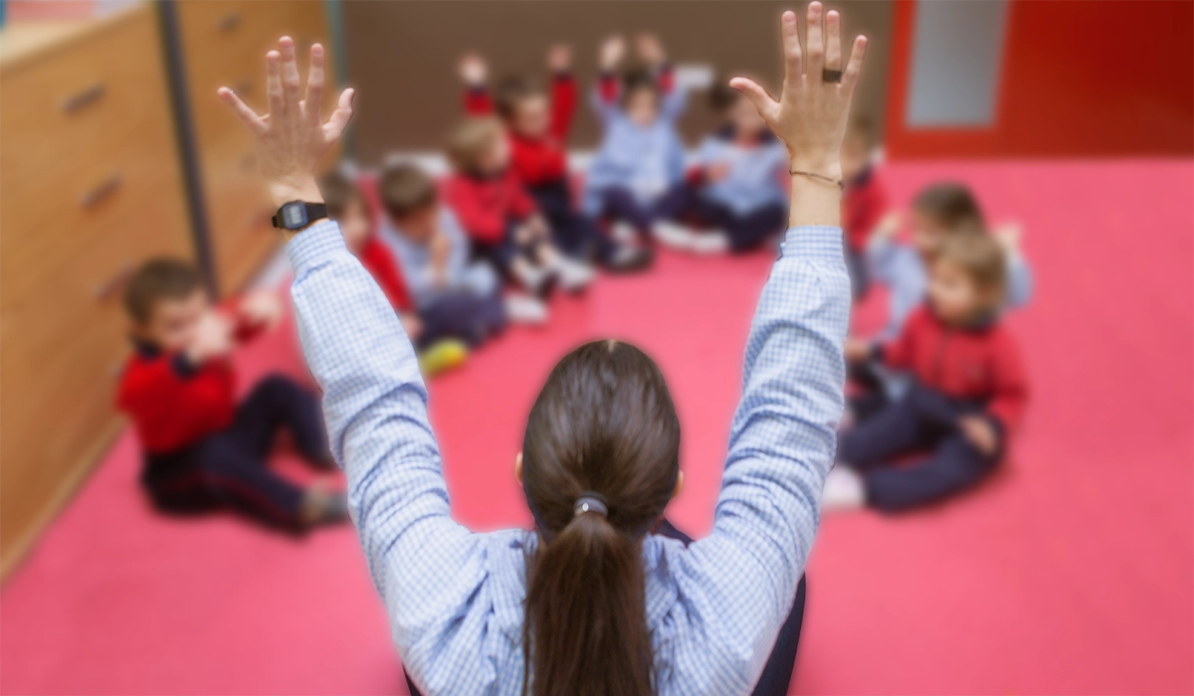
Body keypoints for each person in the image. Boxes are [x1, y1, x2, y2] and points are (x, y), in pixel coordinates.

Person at [217, 5, 863, 693]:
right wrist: (817, 167)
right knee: (784, 578)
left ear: (523, 471)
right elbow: (789, 420)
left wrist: (295, 191)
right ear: (672, 489)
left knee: (417, 629)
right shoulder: (725, 622)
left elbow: (372, 401)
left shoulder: (441, 611)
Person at [116, 259, 346, 530]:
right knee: (212, 453)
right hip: (179, 473)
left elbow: (232, 319)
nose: (193, 331)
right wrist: (192, 357)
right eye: (176, 326)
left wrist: (261, 307)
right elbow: (143, 390)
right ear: (142, 332)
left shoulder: (202, 329)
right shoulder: (141, 373)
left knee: (275, 387)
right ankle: (301, 506)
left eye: (199, 317)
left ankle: (324, 446)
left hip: (229, 433)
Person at [826, 231, 1029, 512]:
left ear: (984, 295)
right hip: (925, 401)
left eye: (949, 284)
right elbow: (904, 352)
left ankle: (864, 489)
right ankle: (819, 457)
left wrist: (993, 425)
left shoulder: (997, 344)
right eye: (934, 278)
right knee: (876, 434)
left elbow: (1013, 394)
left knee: (953, 469)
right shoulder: (923, 318)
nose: (935, 289)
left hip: (970, 420)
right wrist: (871, 351)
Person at [458, 47, 652, 271]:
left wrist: (562, 74)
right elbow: (482, 118)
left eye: (545, 113)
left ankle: (614, 252)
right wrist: (476, 86)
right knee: (544, 234)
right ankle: (571, 256)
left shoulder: (553, 132)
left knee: (582, 222)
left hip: (559, 197)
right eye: (532, 118)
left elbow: (566, 104)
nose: (542, 121)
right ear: (509, 123)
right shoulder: (506, 140)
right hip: (528, 201)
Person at [319, 170, 470, 375]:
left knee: (459, 305)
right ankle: (411, 364)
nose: (358, 228)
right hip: (361, 339)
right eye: (344, 222)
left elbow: (397, 289)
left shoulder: (377, 251)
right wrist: (436, 268)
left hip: (402, 320)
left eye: (360, 217)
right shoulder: (324, 271)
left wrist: (405, 315)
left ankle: (417, 359)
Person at [378, 160, 548, 328]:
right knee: (442, 312)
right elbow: (406, 286)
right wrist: (436, 267)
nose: (428, 224)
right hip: (425, 299)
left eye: (431, 215)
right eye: (418, 222)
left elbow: (461, 249)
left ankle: (481, 319)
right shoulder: (387, 241)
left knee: (487, 276)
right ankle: (498, 312)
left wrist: (448, 274)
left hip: (456, 281)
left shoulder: (444, 216)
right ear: (395, 222)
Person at [443, 117, 595, 298]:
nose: (508, 146)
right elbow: (474, 223)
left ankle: (558, 265)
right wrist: (510, 231)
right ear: (485, 158)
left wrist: (531, 214)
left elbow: (517, 197)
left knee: (532, 232)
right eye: (502, 144)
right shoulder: (462, 186)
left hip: (506, 226)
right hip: (479, 242)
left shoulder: (503, 172)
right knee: (501, 245)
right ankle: (529, 276)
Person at [867, 181, 1034, 341]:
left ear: (960, 231)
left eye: (930, 232)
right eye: (915, 228)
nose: (919, 240)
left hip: (955, 349)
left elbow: (1018, 296)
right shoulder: (907, 259)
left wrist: (1008, 255)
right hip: (899, 341)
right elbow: (877, 266)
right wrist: (881, 235)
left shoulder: (973, 266)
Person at [582, 34, 697, 251]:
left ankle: (641, 224)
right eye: (637, 106)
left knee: (687, 190)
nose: (645, 112)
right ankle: (654, 227)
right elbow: (604, 99)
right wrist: (607, 64)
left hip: (660, 195)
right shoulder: (615, 122)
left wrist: (660, 61)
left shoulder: (664, 122)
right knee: (612, 193)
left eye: (650, 106)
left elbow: (675, 96)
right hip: (629, 194)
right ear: (625, 106)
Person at [654, 81, 791, 254]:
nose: (749, 119)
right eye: (743, 113)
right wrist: (706, 175)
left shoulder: (773, 149)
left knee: (775, 213)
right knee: (683, 190)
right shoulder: (715, 143)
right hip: (721, 206)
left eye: (755, 113)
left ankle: (728, 240)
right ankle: (660, 223)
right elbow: (697, 177)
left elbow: (785, 178)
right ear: (732, 113)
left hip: (754, 207)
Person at [839, 114, 886, 299]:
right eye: (837, 155)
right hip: (822, 236)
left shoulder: (868, 186)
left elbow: (875, 216)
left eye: (853, 157)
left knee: (859, 285)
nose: (844, 163)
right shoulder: (824, 179)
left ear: (866, 159)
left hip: (853, 241)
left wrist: (865, 238)